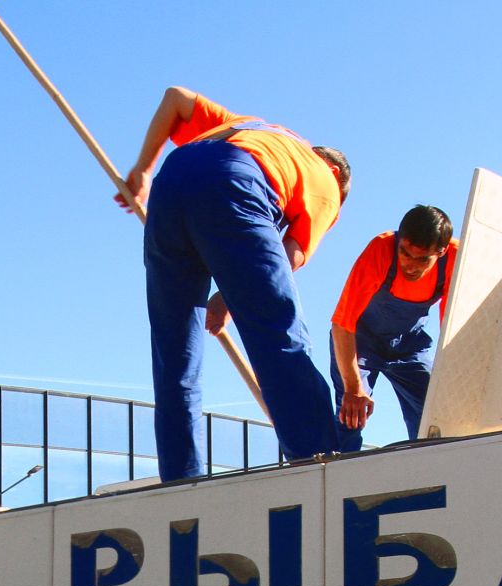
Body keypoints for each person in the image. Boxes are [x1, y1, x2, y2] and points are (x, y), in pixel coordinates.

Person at [118, 86, 350, 480]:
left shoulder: (248, 125)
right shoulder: (327, 184)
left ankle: (181, 479)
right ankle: (318, 461)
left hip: (174, 176)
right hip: (238, 180)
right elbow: (288, 255)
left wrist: (143, 168)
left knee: (175, 353)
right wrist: (227, 299)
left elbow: (175, 97)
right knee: (277, 333)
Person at [328, 205, 459, 441]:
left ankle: (428, 471)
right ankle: (343, 471)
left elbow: (452, 329)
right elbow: (342, 324)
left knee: (436, 416)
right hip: (359, 342)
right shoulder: (382, 248)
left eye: (422, 259)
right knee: (351, 414)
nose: (410, 265)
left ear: (440, 252)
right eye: (405, 253)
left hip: (411, 345)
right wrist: (353, 388)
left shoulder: (454, 258)